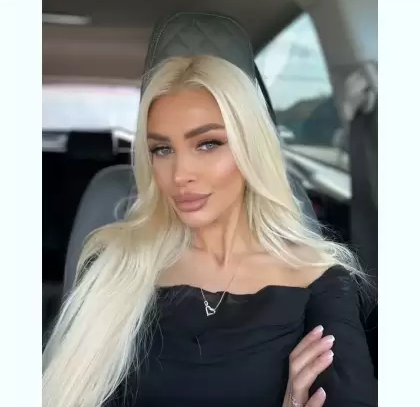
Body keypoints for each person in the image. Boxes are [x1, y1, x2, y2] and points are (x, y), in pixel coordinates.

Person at [42, 55, 377, 407]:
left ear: (251, 147)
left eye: (207, 144)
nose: (180, 174)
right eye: (162, 149)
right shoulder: (114, 262)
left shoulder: (318, 280)